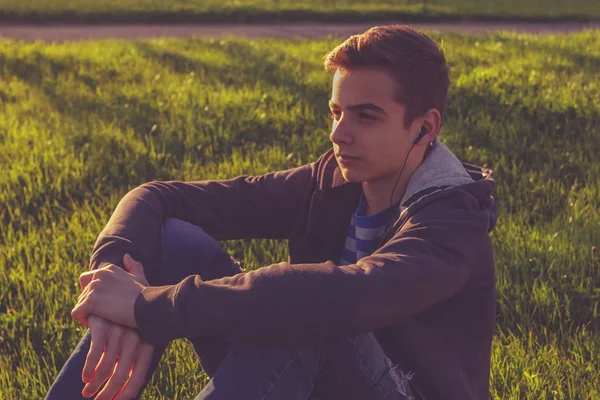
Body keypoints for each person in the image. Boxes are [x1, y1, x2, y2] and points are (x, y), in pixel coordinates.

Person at [46, 24, 498, 400]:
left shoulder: (452, 220)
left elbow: (343, 297)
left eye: (366, 116)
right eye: (335, 113)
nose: (340, 135)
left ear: (425, 127)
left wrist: (151, 307)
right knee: (175, 239)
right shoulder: (331, 182)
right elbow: (158, 196)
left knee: (306, 318)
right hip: (313, 377)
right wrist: (115, 281)